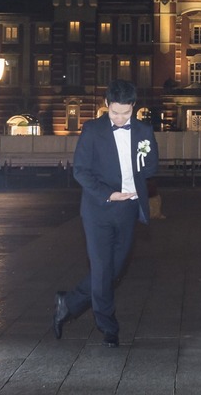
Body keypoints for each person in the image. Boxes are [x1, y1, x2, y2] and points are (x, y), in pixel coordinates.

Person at [52, 80, 159, 348]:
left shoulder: (144, 130)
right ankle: (108, 326)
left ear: (134, 106)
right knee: (101, 269)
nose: (121, 118)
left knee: (113, 271)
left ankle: (69, 303)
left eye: (126, 113)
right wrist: (109, 193)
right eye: (115, 112)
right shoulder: (92, 130)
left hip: (128, 209)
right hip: (99, 209)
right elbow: (80, 170)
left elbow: (151, 166)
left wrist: (139, 167)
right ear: (106, 105)